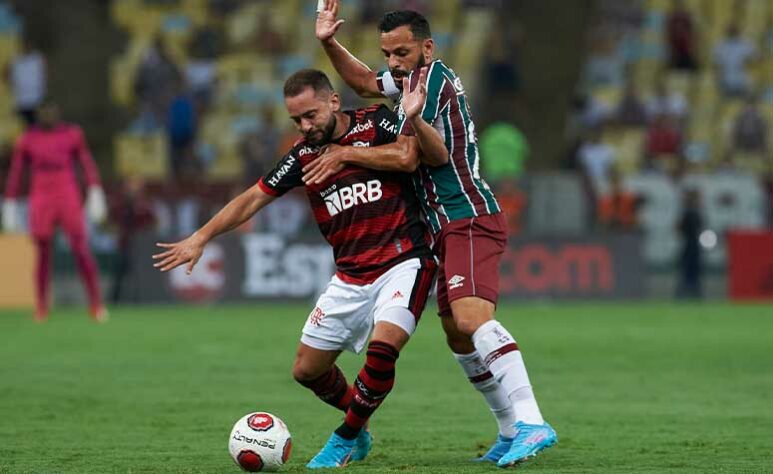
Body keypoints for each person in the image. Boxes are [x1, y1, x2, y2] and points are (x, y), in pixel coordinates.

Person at [310, 2, 556, 466]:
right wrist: (327, 41)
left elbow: (434, 156)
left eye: (402, 51)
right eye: (387, 53)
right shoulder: (407, 81)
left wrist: (404, 125)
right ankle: (508, 430)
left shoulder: (434, 81)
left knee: (469, 320)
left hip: (466, 216)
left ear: (427, 47)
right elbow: (363, 82)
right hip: (447, 226)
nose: (394, 62)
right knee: (457, 336)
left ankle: (531, 421)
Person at [152, 69, 437, 469]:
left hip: (404, 259)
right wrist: (201, 236)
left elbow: (409, 157)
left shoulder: (377, 122)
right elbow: (253, 198)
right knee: (307, 370)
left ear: (334, 101)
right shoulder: (303, 156)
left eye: (310, 115)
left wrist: (346, 154)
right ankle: (361, 422)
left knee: (382, 348)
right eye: (296, 120)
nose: (305, 126)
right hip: (352, 275)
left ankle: (345, 439)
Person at [1, 98, 108, 322]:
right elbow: (17, 171)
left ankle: (96, 304)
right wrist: (9, 202)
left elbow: (86, 162)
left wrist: (95, 189)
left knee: (80, 247)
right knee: (42, 252)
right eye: (44, 113)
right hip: (41, 194)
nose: (48, 117)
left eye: (52, 112)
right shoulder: (27, 139)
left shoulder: (72, 134)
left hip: (66, 191)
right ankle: (41, 307)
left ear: (58, 113)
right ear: (38, 115)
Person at [7, 38, 47, 126]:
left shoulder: (38, 59)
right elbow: (7, 75)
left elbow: (44, 75)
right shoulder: (15, 60)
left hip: (36, 99)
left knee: (36, 126)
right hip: (20, 100)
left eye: (28, 45)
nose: (26, 47)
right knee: (21, 126)